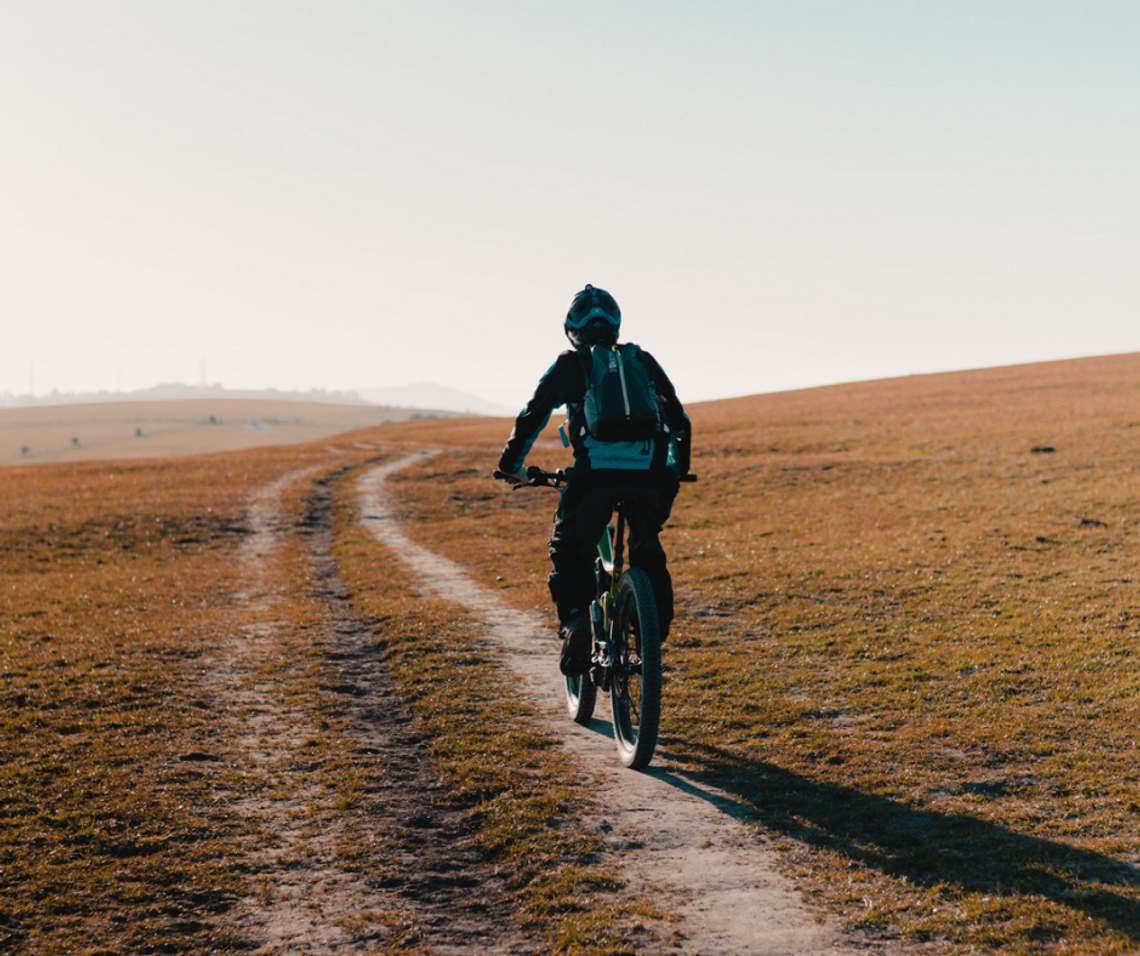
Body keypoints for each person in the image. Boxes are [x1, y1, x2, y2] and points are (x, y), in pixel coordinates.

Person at [497, 284, 691, 675]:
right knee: (647, 547)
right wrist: (676, 469)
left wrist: (511, 465)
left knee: (569, 548)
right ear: (616, 324)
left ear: (571, 328)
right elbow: (680, 423)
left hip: (594, 479)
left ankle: (576, 624)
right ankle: (651, 627)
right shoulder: (643, 361)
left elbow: (532, 416)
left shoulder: (572, 364)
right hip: (650, 480)